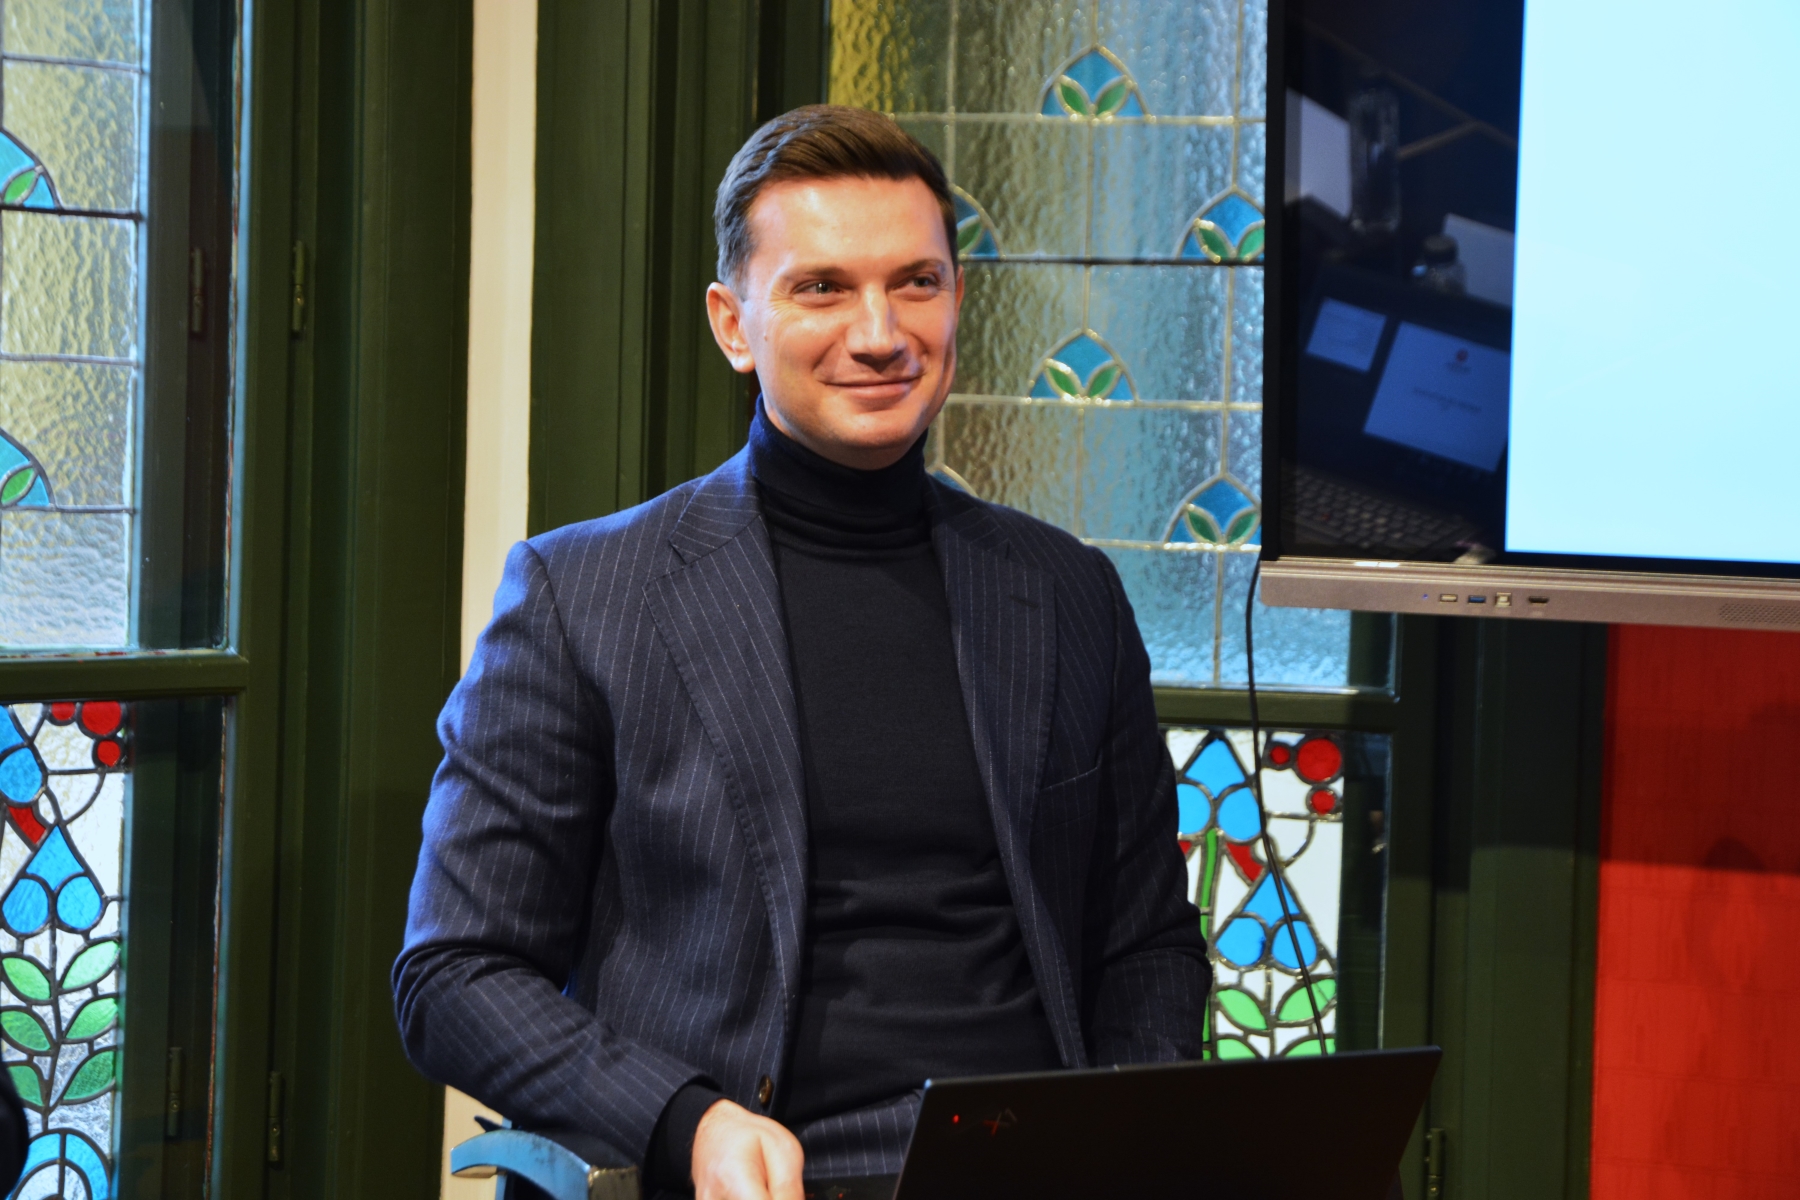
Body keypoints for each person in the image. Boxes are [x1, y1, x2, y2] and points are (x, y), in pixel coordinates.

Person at [393, 104, 1210, 1200]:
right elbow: (453, 975)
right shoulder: (582, 595)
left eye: (916, 282)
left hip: (1029, 1165)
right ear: (734, 325)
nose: (880, 333)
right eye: (821, 288)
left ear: (957, 300)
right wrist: (684, 1122)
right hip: (754, 1175)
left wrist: (1130, 1140)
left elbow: (1147, 945)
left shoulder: (1068, 592)